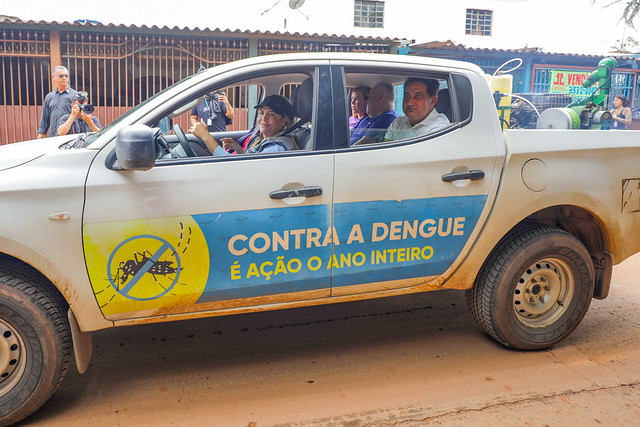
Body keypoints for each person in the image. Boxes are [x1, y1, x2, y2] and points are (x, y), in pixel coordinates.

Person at [189, 94, 298, 156]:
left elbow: (236, 168)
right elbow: (252, 164)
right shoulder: (265, 140)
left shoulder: (275, 148)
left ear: (283, 120)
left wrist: (206, 137)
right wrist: (239, 150)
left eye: (272, 115)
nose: (264, 118)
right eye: (261, 113)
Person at [384, 77, 450, 141]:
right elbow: (384, 149)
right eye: (407, 96)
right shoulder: (398, 122)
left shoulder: (440, 129)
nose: (409, 103)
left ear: (433, 101)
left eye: (417, 96)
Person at [37, 65, 77, 138]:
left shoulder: (75, 96)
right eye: (61, 76)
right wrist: (39, 139)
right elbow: (44, 121)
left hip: (70, 139)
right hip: (53, 138)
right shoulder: (49, 97)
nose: (64, 78)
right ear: (54, 77)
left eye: (66, 76)